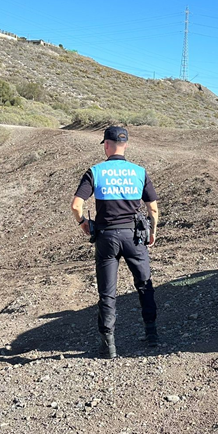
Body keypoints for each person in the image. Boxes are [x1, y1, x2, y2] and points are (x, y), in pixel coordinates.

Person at [70, 126, 159, 359]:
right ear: (125, 145)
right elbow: (153, 208)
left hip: (106, 238)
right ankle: (152, 335)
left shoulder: (95, 171)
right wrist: (152, 231)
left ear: (107, 145)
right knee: (144, 284)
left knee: (107, 292)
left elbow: (76, 206)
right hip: (134, 236)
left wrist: (83, 224)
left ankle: (108, 345)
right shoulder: (139, 172)